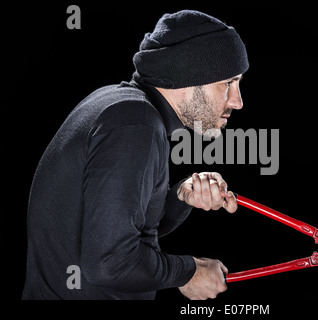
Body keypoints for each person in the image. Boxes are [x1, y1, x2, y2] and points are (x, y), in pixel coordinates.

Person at [22, 9, 249, 300]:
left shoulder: (120, 107)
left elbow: (118, 228)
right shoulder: (135, 125)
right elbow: (109, 262)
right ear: (190, 77)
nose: (238, 101)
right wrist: (186, 272)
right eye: (228, 83)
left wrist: (181, 195)